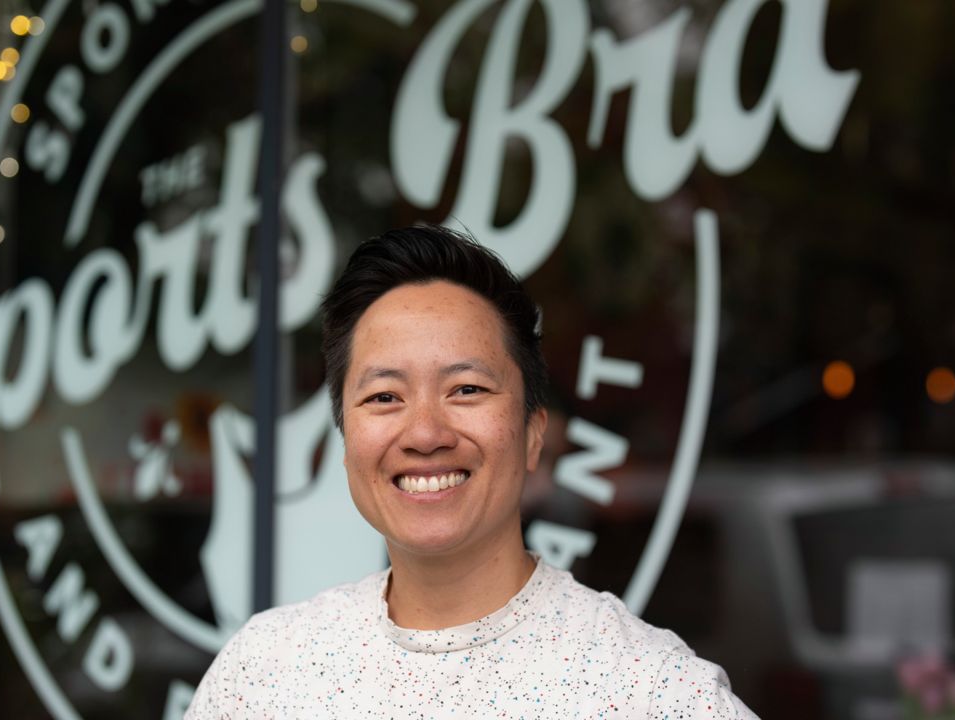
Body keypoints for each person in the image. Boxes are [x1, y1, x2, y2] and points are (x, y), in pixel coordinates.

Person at [186, 225, 757, 718]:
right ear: (345, 437)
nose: (426, 434)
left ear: (534, 434)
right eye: (385, 397)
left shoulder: (647, 689)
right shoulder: (262, 674)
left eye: (467, 389)